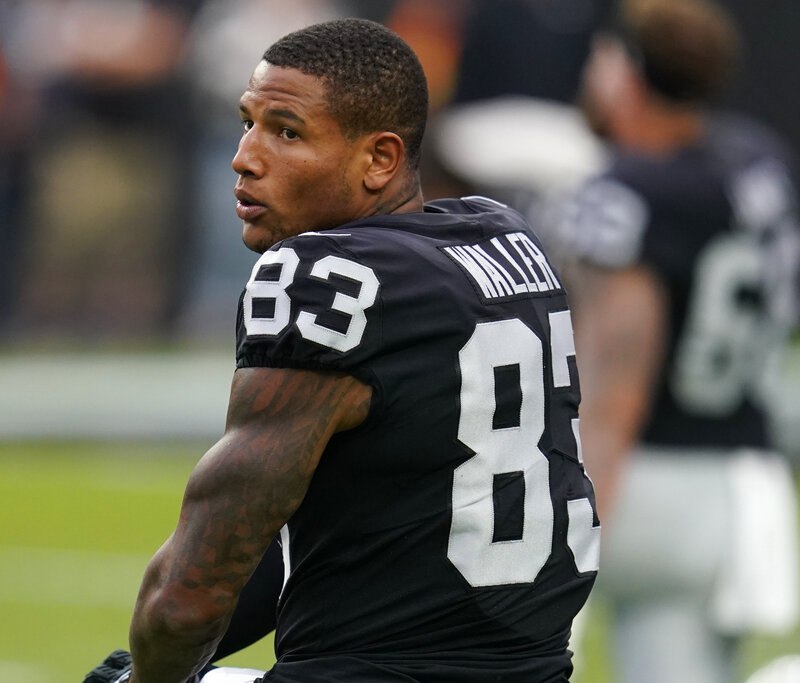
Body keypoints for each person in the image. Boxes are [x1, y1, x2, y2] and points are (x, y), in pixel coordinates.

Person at [85, 17, 599, 683]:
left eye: (287, 132)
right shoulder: (504, 240)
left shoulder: (325, 277)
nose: (246, 155)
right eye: (248, 122)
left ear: (380, 159)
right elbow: (293, 547)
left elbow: (190, 593)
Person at [557, 1, 800, 681]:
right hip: (737, 486)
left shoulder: (629, 192)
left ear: (626, 73)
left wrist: (574, 522)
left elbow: (614, 387)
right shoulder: (758, 163)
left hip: (641, 480)